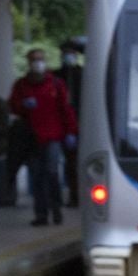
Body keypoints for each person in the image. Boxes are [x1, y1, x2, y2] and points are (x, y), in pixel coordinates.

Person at [9, 48, 77, 226]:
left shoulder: (55, 84)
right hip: (32, 138)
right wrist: (23, 106)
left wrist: (71, 132)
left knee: (52, 173)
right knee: (37, 177)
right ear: (29, 63)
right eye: (34, 60)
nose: (37, 63)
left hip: (53, 137)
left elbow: (66, 110)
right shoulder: (22, 85)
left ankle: (56, 210)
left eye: (40, 59)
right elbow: (13, 106)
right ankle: (41, 214)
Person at [57, 39, 84, 208]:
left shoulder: (84, 74)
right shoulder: (56, 76)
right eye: (67, 53)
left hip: (82, 123)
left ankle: (78, 195)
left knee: (77, 163)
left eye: (72, 53)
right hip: (62, 126)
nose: (69, 56)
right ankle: (73, 195)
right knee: (70, 163)